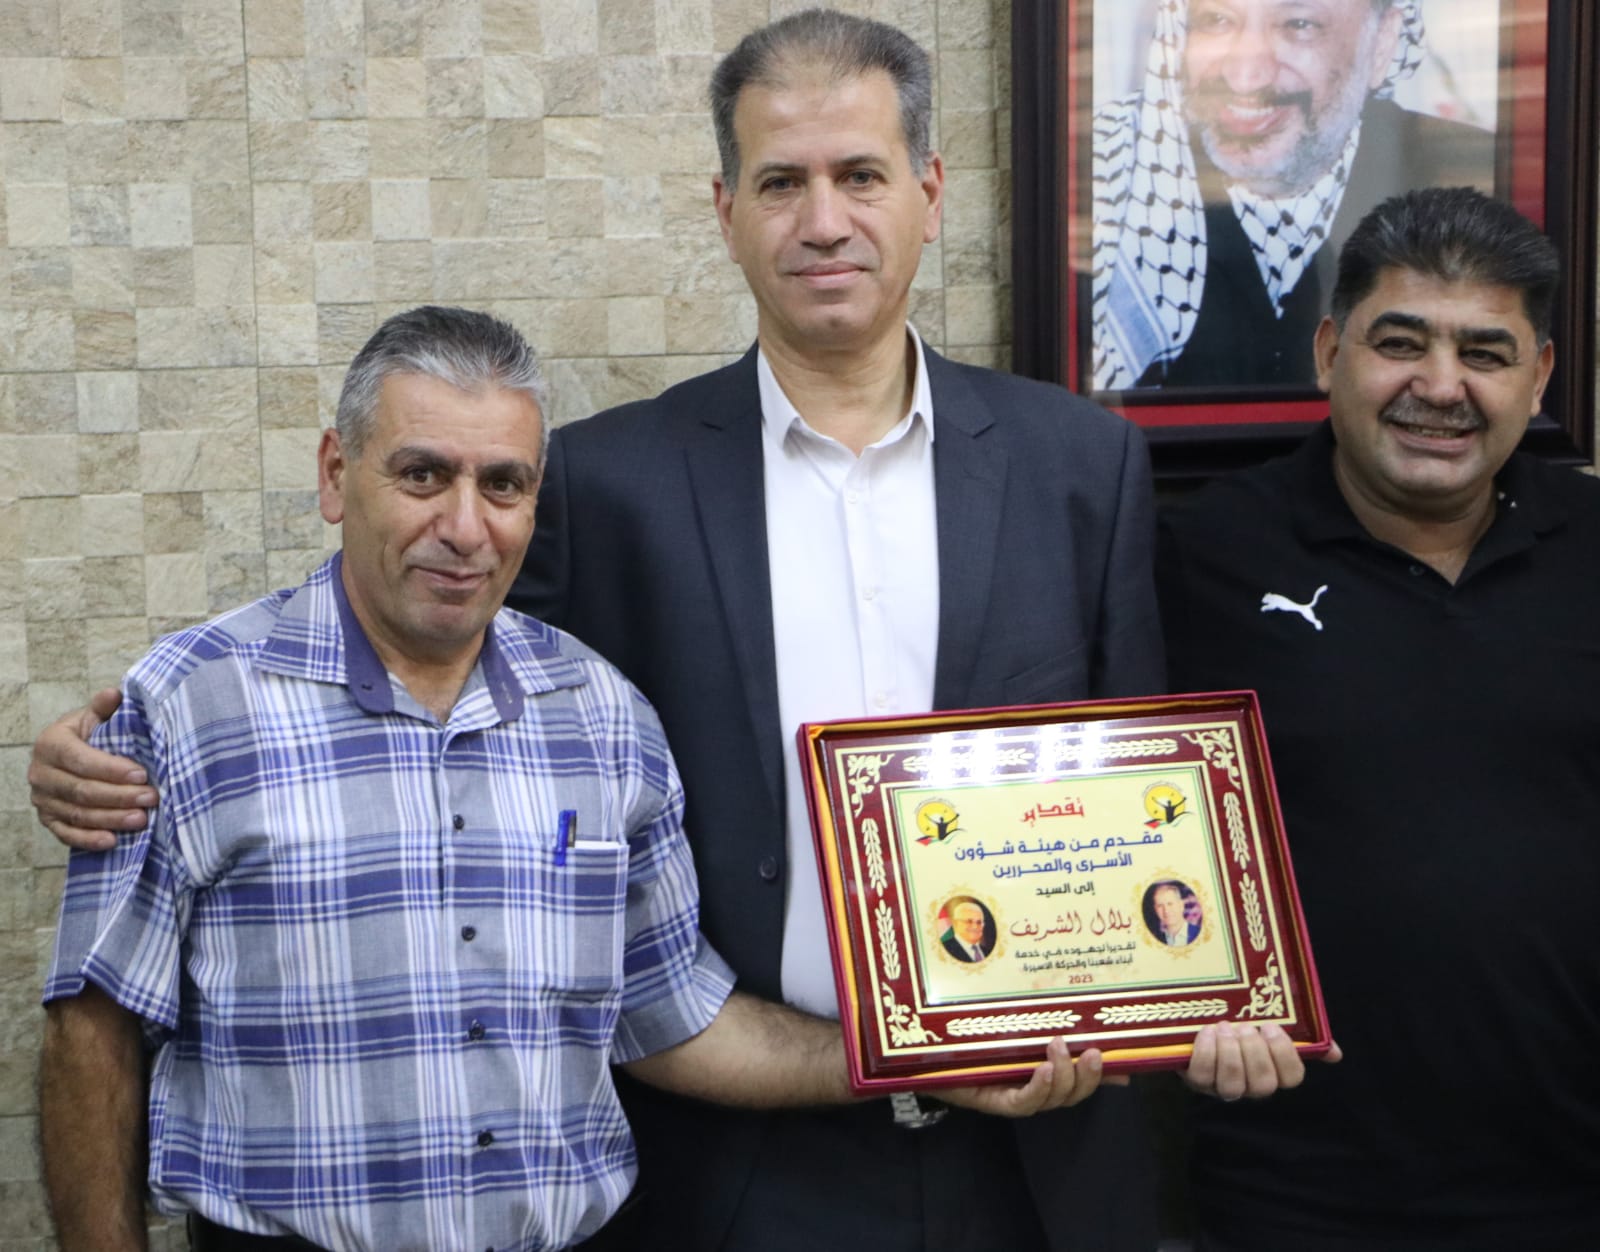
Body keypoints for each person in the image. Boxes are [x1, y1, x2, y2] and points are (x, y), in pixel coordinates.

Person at [32, 12, 1312, 1250]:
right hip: (738, 1167)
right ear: (725, 210)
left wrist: (1207, 986)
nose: (824, 219)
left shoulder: (1077, 465)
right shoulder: (602, 484)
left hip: (1031, 1154)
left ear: (928, 192)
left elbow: (1146, 779)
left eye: (861, 175)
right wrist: (109, 757)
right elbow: (439, 686)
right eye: (781, 181)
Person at [38, 307, 1096, 1252]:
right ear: (333, 473)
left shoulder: (601, 716)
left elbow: (676, 1017)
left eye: (503, 484)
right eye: (422, 475)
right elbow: (93, 1033)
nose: (465, 526)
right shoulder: (190, 706)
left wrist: (920, 1057)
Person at [1158, 187, 1600, 1247]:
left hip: (1575, 1181)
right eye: (1400, 343)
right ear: (1329, 353)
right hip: (1290, 1187)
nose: (1440, 387)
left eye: (1484, 353)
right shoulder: (1197, 556)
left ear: (1538, 376)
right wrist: (1184, 1002)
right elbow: (1118, 827)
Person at [1093, 0, 1495, 391]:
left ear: (1381, 42)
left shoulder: (1470, 175)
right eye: (1217, 20)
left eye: (1299, 25)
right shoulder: (1112, 170)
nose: (1246, 77)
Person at [1148, 882, 1201, 946]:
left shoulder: (1200, 933)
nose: (1166, 911)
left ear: (1181, 905)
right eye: (1160, 906)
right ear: (1155, 910)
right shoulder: (1153, 940)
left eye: (1170, 904)